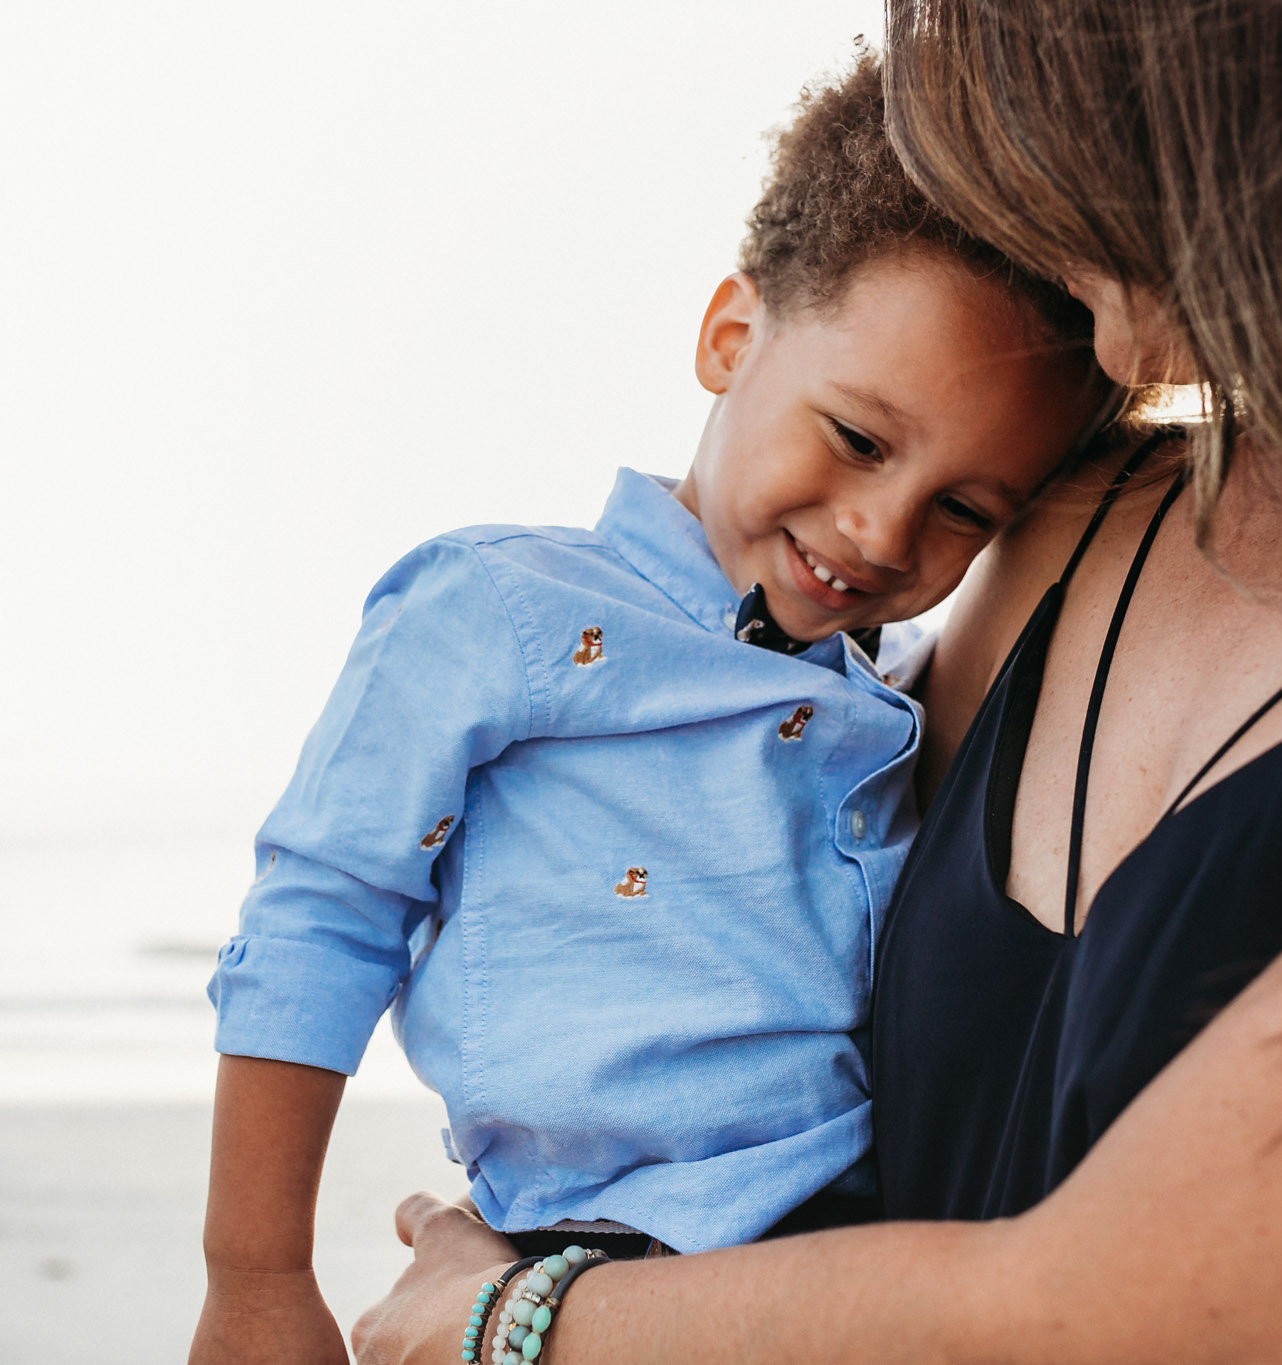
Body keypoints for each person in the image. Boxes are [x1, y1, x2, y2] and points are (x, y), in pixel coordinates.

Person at [351, 2, 1282, 1360]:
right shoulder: (1070, 522)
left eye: (1098, 192)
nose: (1109, 344)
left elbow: (1116, 1313)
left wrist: (520, 1321)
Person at [189, 55, 1118, 1365]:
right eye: (856, 436)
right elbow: (321, 912)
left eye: (968, 509)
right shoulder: (501, 608)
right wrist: (256, 1275)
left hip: (861, 1248)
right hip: (594, 1266)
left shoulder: (884, 700)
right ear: (730, 339)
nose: (881, 528)